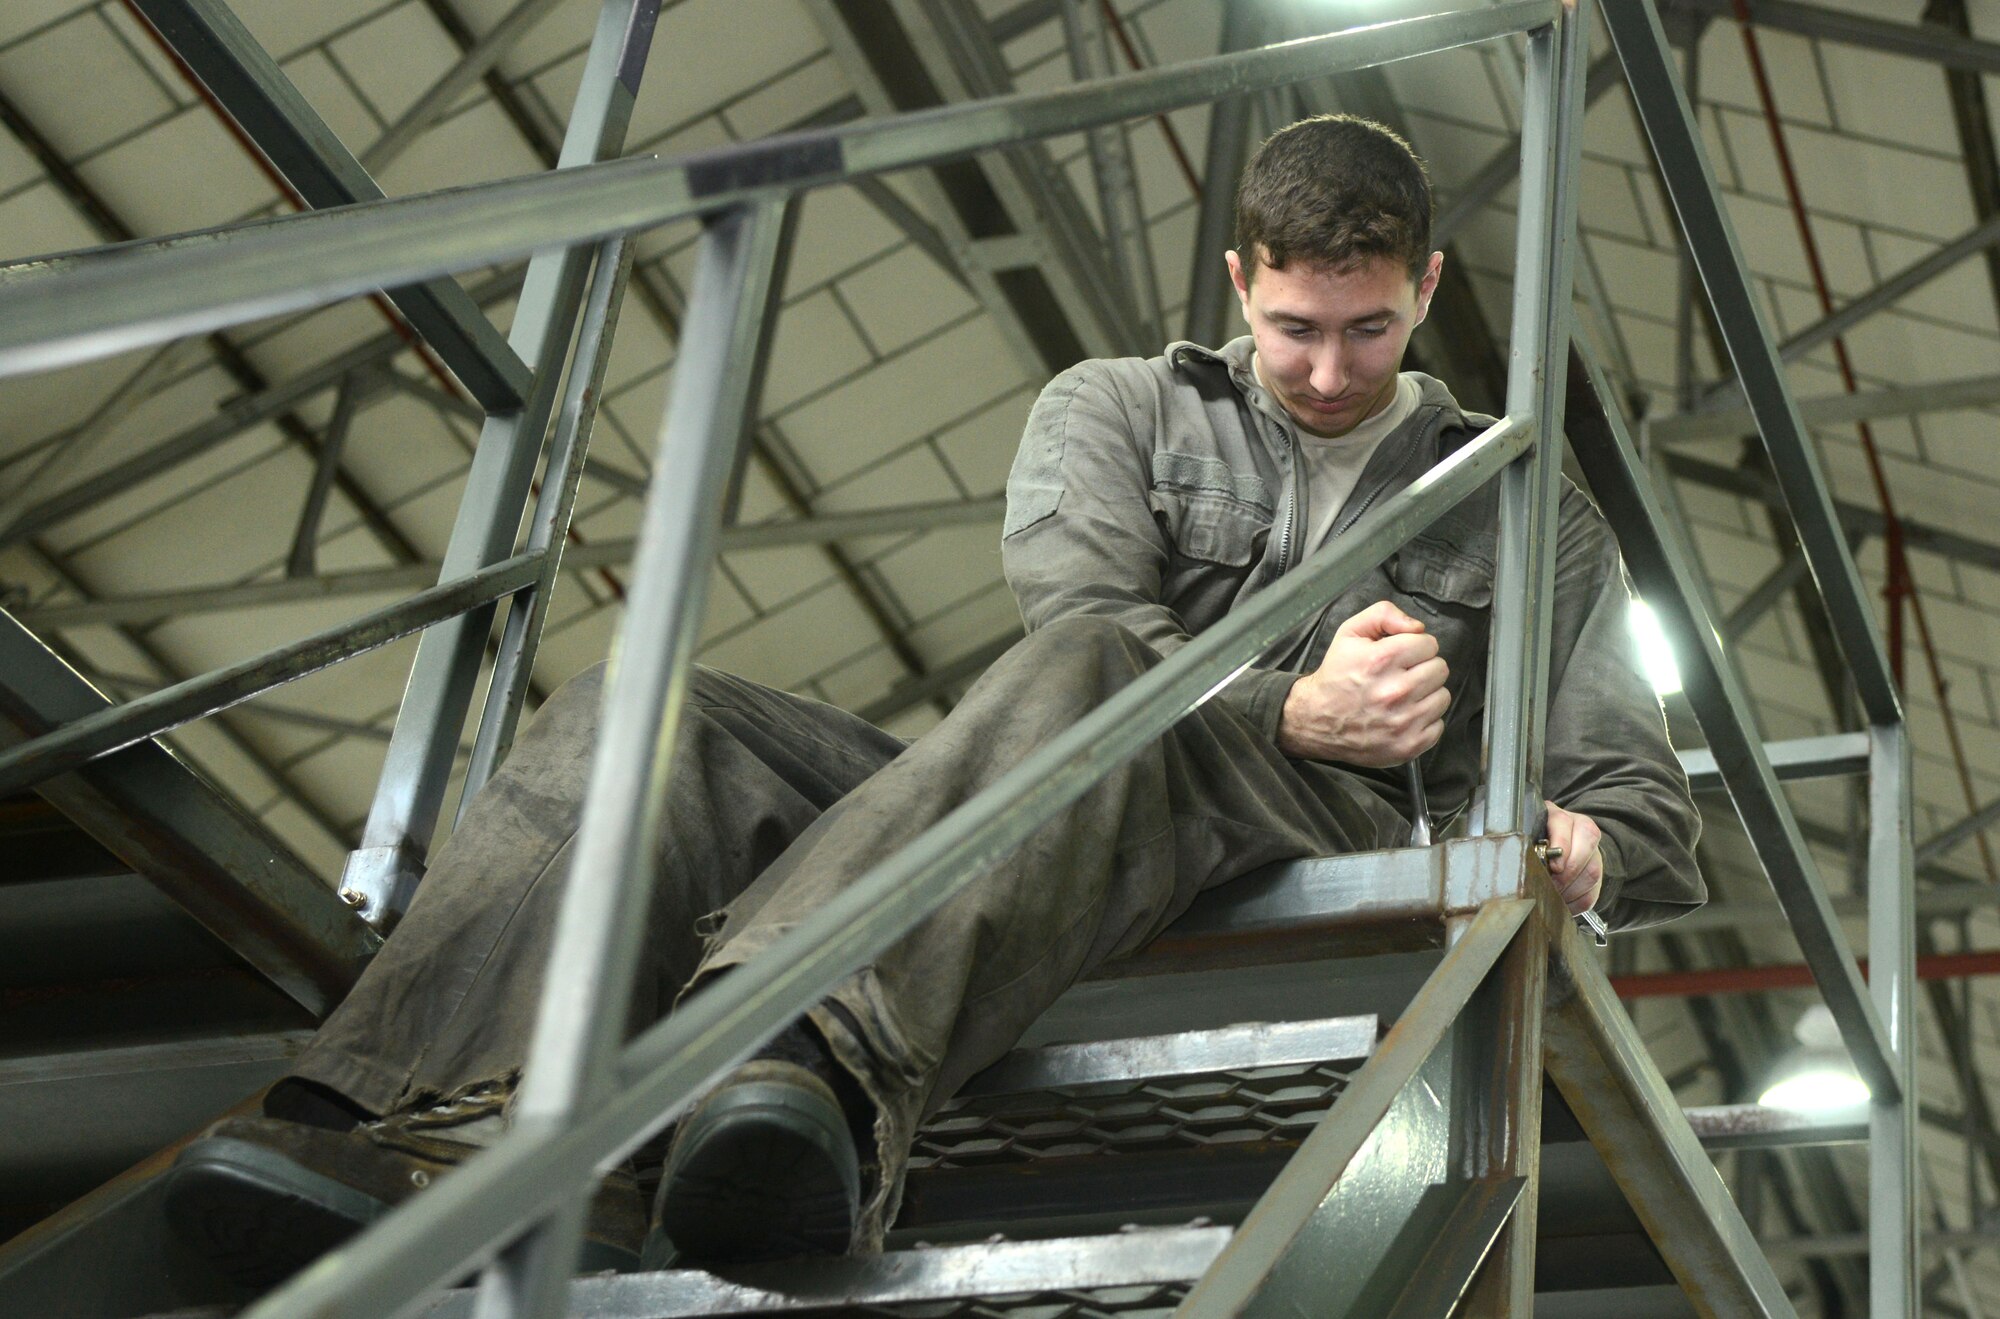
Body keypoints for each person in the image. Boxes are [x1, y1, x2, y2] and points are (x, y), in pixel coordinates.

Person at [162, 115, 1703, 1289]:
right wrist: (1294, 706)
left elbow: (1640, 800)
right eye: (1295, 328)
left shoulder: (1528, 504)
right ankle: (388, 1119)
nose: (1326, 369)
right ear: (1241, 282)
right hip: (1047, 788)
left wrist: (1587, 846)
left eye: (1369, 329)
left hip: (1299, 835)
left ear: (1426, 287)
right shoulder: (1115, 409)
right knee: (652, 712)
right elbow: (1091, 627)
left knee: (1095, 683)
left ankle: (793, 1064)